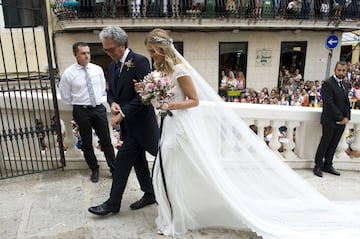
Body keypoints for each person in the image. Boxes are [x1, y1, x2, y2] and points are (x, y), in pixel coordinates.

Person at [143, 29, 360, 238]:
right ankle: (176, 209)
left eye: (153, 50)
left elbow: (194, 101)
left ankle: (178, 212)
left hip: (180, 125)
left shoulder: (180, 70)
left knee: (173, 166)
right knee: (170, 167)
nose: (151, 55)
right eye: (150, 51)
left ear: (163, 49)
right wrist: (153, 96)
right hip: (169, 124)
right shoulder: (161, 73)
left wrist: (168, 105)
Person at [88, 26, 159, 216]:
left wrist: (122, 114)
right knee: (138, 163)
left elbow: (145, 95)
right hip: (129, 127)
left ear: (122, 45)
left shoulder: (140, 61)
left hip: (143, 125)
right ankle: (149, 193)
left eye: (110, 49)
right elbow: (111, 91)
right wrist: (112, 104)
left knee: (156, 159)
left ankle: (114, 203)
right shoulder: (112, 66)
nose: (108, 53)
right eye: (105, 50)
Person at [59, 42, 115, 183]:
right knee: (86, 142)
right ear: (75, 54)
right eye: (83, 53)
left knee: (106, 140)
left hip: (98, 108)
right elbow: (66, 95)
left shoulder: (97, 70)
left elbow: (103, 87)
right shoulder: (68, 73)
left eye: (88, 53)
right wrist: (81, 103)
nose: (86, 56)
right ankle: (94, 169)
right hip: (81, 110)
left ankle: (114, 169)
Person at [313, 61, 351, 177]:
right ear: (335, 70)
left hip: (342, 121)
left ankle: (328, 165)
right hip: (329, 120)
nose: (341, 72)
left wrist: (347, 116)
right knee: (325, 143)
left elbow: (346, 102)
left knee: (334, 143)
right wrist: (340, 117)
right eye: (339, 70)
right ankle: (318, 165)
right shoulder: (328, 83)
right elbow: (328, 103)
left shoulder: (344, 84)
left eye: (343, 70)